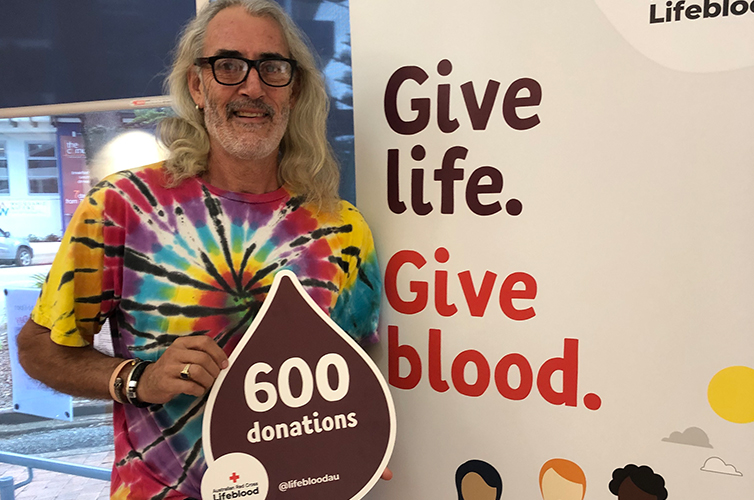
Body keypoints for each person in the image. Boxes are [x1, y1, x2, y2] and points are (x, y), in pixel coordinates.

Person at [17, 0, 388, 498]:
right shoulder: (123, 208)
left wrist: (362, 446)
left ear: (293, 89)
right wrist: (140, 379)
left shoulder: (343, 228)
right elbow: (38, 349)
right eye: (228, 66)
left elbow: (357, 367)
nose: (252, 87)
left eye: (273, 68)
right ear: (197, 85)